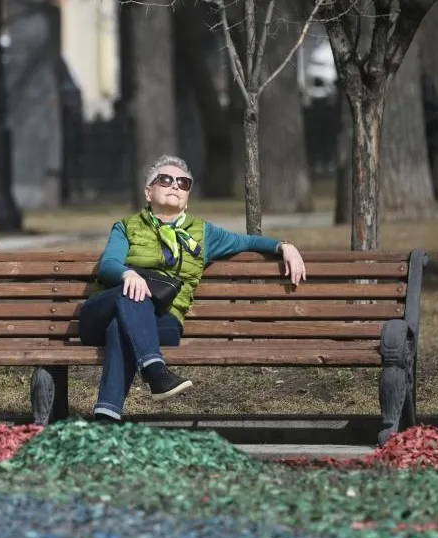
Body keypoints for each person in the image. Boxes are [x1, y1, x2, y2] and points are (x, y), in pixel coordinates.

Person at [79, 154, 308, 423]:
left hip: (162, 321)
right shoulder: (127, 227)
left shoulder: (203, 233)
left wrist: (284, 246)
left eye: (183, 183)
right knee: (132, 294)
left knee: (122, 326)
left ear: (187, 197)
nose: (175, 185)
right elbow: (108, 265)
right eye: (165, 180)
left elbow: (247, 242)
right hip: (102, 312)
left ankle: (106, 419)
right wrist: (128, 274)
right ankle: (155, 371)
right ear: (148, 192)